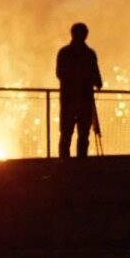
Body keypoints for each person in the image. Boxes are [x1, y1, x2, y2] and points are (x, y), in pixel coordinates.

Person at [55, 22, 103, 158]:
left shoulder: (64, 53)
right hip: (85, 99)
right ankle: (81, 161)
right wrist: (94, 82)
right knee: (83, 133)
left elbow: (60, 74)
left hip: (68, 99)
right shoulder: (89, 54)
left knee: (66, 132)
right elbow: (97, 77)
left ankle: (64, 162)